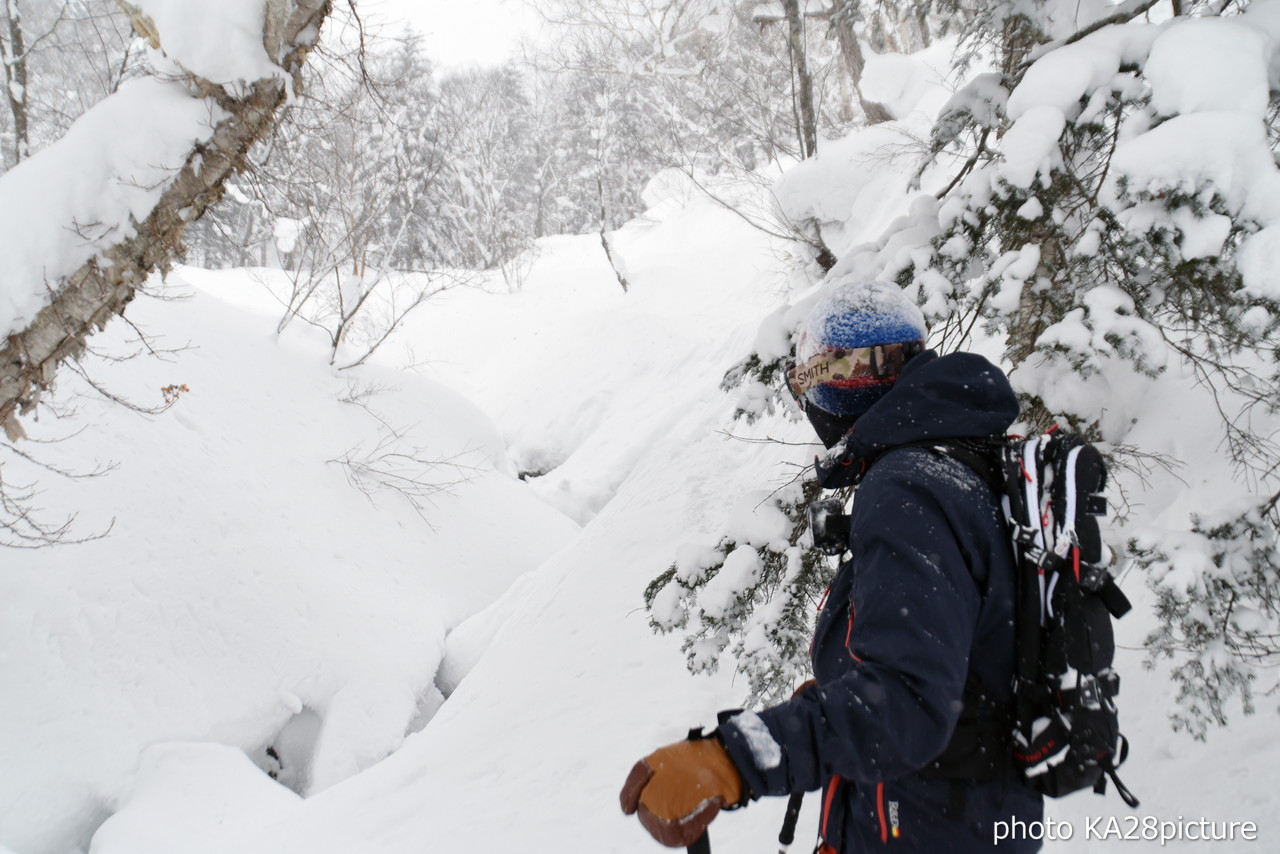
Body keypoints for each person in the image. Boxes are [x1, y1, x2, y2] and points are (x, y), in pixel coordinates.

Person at [620, 278, 1045, 852]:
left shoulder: (906, 488)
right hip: (963, 813)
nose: (807, 400)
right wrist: (846, 683)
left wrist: (733, 758)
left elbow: (909, 702)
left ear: (847, 381)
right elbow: (958, 656)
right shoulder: (960, 463)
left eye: (811, 378)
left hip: (927, 824)